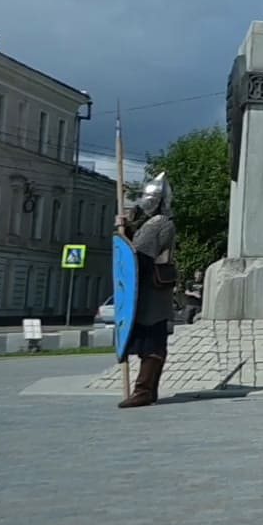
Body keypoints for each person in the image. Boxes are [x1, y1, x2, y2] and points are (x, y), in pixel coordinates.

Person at [115, 172, 176, 409]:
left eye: (148, 197)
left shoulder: (159, 223)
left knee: (152, 342)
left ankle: (144, 390)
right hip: (146, 291)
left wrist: (126, 233)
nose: (144, 201)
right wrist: (126, 230)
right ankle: (146, 390)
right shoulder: (149, 223)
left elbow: (139, 257)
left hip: (152, 291)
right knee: (146, 341)